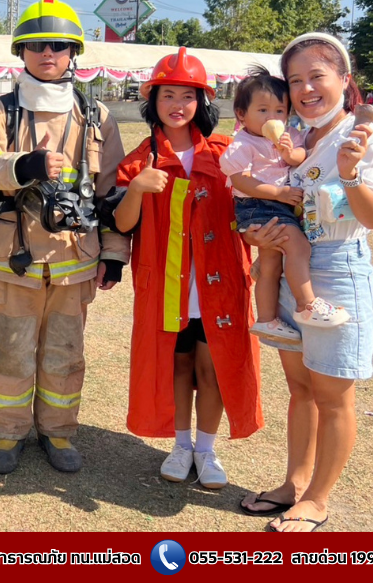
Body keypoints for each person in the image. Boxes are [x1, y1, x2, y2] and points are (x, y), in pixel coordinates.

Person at [239, 33, 373, 532]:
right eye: (295, 80)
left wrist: (350, 176)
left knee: (333, 395)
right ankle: (294, 484)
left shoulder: (364, 136)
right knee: (301, 388)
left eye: (317, 76)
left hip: (336, 268)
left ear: (344, 79)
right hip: (291, 263)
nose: (306, 89)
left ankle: (317, 499)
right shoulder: (296, 137)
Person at [0, 0, 130, 474]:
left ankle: (58, 431)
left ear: (73, 52)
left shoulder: (96, 116)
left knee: (65, 353)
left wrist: (114, 253)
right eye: (37, 45)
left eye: (58, 45)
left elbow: (112, 191)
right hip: (11, 260)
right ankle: (8, 432)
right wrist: (24, 166)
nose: (47, 54)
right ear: (21, 52)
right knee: (11, 351)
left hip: (73, 260)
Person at [113, 47, 263, 490]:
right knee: (176, 368)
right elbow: (122, 224)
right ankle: (181, 446)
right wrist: (137, 189)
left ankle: (206, 449)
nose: (177, 105)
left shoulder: (228, 153)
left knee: (213, 368)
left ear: (203, 102)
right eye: (168, 96)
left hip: (220, 285)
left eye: (188, 96)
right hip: (166, 287)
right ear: (152, 101)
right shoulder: (140, 160)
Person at [220, 67, 351, 346]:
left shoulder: (290, 134)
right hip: (258, 204)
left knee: (270, 264)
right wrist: (278, 193)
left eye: (279, 111)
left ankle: (267, 319)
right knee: (299, 247)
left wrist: (289, 153)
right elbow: (240, 180)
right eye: (263, 110)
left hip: (278, 204)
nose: (273, 118)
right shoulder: (243, 143)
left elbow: (300, 156)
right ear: (242, 114)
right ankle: (307, 304)